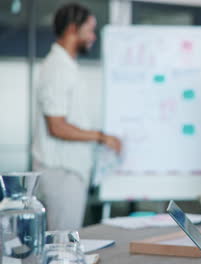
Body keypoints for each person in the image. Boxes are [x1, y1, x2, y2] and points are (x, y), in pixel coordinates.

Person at [32, 3, 121, 230]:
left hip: (67, 171)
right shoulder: (57, 68)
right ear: (73, 29)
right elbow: (57, 127)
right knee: (62, 245)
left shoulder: (66, 65)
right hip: (61, 172)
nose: (93, 37)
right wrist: (101, 137)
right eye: (89, 30)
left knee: (64, 242)